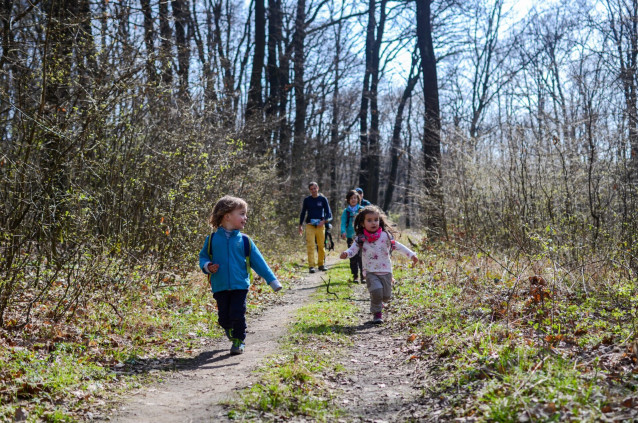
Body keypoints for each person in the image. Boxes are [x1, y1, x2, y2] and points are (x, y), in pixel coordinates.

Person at [199, 195, 282, 355]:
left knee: (238, 313)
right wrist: (207, 266)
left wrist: (272, 281)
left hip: (239, 285)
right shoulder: (212, 240)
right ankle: (229, 329)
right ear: (227, 216)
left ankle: (239, 340)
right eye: (242, 213)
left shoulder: (245, 241)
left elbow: (259, 262)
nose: (246, 217)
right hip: (220, 285)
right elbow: (203, 257)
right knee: (223, 318)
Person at [339, 205, 418, 324]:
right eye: (369, 220)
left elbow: (398, 246)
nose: (373, 223)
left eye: (376, 220)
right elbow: (353, 249)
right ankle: (377, 314)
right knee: (376, 292)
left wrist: (411, 255)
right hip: (370, 271)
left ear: (379, 221)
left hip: (386, 270)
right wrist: (346, 253)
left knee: (386, 296)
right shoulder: (361, 238)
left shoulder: (385, 236)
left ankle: (379, 302)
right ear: (362, 223)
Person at [298, 182, 332, 273]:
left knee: (321, 245)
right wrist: (300, 225)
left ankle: (321, 264)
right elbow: (303, 212)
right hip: (310, 225)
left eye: (315, 188)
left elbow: (329, 213)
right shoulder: (307, 200)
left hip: (320, 225)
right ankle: (311, 266)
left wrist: (323, 221)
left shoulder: (323, 199)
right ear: (309, 190)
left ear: (318, 188)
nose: (313, 190)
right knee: (310, 246)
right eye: (311, 189)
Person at [340, 190, 363, 283]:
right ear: (348, 200)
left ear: (358, 199)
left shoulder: (362, 209)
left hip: (361, 236)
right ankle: (355, 276)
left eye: (355, 198)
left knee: (361, 256)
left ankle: (363, 275)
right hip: (350, 236)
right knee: (352, 256)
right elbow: (343, 222)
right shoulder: (346, 211)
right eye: (351, 198)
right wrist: (343, 232)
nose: (353, 200)